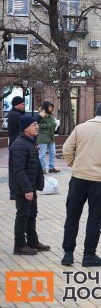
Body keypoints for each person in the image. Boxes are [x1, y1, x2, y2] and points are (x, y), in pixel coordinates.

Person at [61, 101, 101, 267]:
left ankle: (68, 254)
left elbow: (67, 149)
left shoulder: (81, 128)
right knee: (95, 219)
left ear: (96, 111)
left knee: (72, 216)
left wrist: (74, 165)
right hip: (100, 181)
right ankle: (89, 255)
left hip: (78, 178)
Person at [9, 115, 50, 255]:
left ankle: (32, 241)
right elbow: (18, 170)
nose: (37, 126)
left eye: (36, 124)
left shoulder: (29, 142)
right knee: (23, 215)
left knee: (31, 214)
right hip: (23, 188)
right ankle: (19, 245)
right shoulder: (20, 144)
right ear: (25, 127)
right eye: (33, 124)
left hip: (30, 186)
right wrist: (27, 189)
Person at [35, 101, 59, 174]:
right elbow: (37, 125)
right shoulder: (41, 115)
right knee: (42, 155)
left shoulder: (51, 116)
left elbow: (54, 124)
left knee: (52, 153)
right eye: (49, 106)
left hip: (51, 137)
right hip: (43, 138)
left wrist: (51, 125)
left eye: (52, 106)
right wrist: (48, 125)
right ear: (45, 107)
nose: (51, 108)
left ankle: (51, 167)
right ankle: (42, 168)